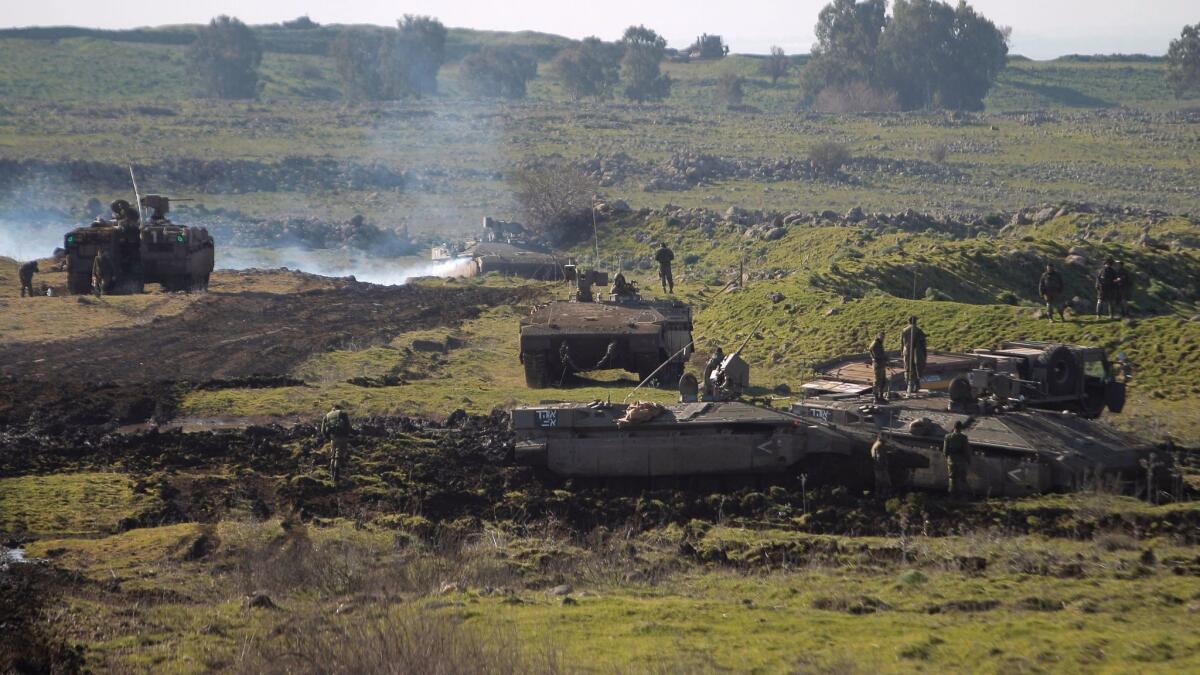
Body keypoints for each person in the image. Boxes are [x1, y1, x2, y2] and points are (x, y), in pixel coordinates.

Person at [319, 404, 352, 483]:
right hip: (342, 438)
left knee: (333, 456)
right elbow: (348, 427)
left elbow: (322, 431)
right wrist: (350, 434)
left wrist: (329, 438)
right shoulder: (343, 414)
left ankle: (332, 475)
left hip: (333, 439)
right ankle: (336, 477)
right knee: (338, 456)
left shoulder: (327, 416)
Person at [942, 421, 970, 498]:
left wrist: (947, 459)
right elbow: (966, 450)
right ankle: (962, 495)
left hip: (951, 460)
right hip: (961, 461)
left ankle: (951, 494)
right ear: (961, 428)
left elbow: (945, 451)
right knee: (962, 478)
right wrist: (968, 460)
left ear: (954, 427)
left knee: (952, 478)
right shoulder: (963, 437)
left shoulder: (947, 436)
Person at [899, 316, 927, 393]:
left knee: (907, 369)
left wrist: (902, 352)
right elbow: (922, 343)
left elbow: (902, 343)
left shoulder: (904, 330)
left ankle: (908, 385)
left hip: (906, 352)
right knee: (916, 368)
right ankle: (915, 385)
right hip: (916, 352)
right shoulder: (918, 330)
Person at [869, 331, 888, 404]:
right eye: (881, 336)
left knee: (883, 381)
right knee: (877, 381)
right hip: (878, 365)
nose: (883, 338)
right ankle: (876, 398)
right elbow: (877, 356)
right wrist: (885, 358)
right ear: (877, 336)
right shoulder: (875, 344)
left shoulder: (879, 343)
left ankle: (881, 397)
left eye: (883, 337)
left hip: (881, 364)